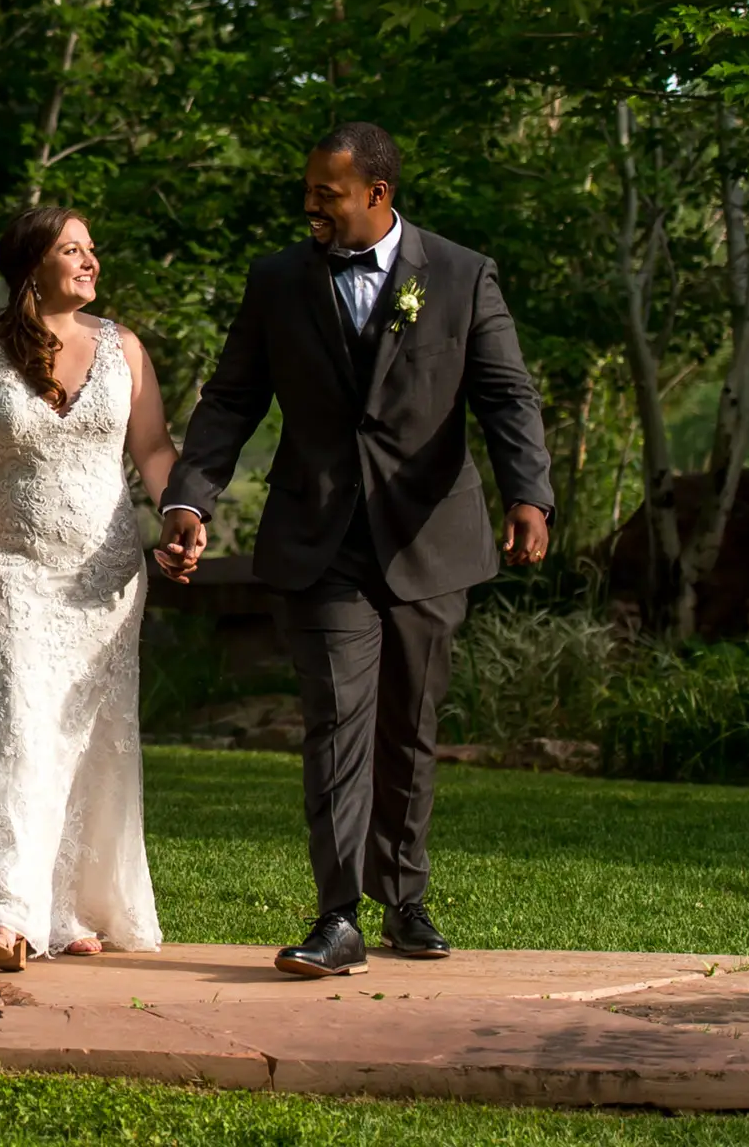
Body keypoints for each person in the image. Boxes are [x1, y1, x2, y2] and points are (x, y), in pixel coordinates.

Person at [157, 123, 553, 979]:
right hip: (320, 538)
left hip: (429, 537)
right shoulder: (277, 281)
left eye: (325, 192)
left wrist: (530, 492)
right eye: (307, 190)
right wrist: (190, 496)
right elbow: (230, 400)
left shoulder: (460, 274)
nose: (309, 205)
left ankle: (404, 897)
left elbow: (507, 396)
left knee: (409, 726)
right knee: (336, 720)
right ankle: (338, 916)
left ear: (376, 194)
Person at [0, 206, 175, 971]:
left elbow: (151, 449)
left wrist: (181, 513)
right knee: (14, 725)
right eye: (72, 249)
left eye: (93, 248)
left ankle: (69, 904)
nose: (90, 261)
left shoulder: (126, 350)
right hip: (6, 566)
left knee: (88, 739)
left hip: (105, 574)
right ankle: (4, 910)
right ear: (31, 267)